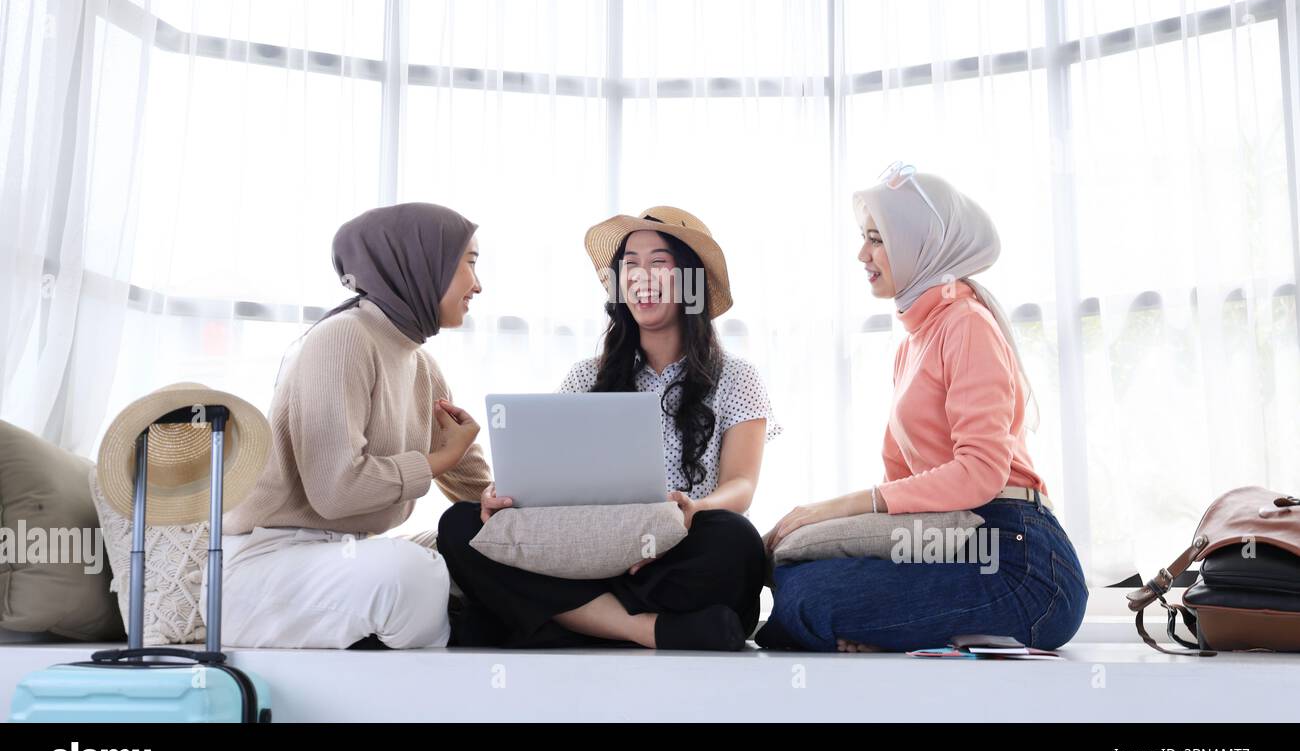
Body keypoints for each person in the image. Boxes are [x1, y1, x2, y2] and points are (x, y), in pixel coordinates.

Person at [756, 165, 1088, 653]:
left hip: (1022, 563)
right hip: (950, 542)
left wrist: (833, 508)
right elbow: (901, 489)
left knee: (806, 599)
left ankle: (907, 631)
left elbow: (980, 474)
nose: (862, 255)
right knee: (792, 573)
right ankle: (908, 631)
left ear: (919, 244)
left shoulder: (966, 323)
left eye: (876, 240)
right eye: (864, 239)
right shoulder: (912, 345)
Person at [437, 207, 779, 651]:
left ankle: (560, 620)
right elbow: (547, 480)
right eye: (630, 266)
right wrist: (502, 499)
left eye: (659, 263)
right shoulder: (585, 378)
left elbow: (741, 484)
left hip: (673, 552)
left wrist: (694, 510)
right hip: (585, 554)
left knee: (737, 542)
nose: (641, 277)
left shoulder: (736, 377)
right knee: (462, 525)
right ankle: (643, 630)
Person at [204, 202, 491, 649]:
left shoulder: (421, 363)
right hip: (267, 564)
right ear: (420, 263)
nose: (478, 285)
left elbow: (477, 489)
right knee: (412, 574)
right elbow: (336, 490)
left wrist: (518, 511)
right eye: (469, 264)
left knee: (475, 544)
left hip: (343, 557)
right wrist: (439, 461)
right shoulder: (343, 337)